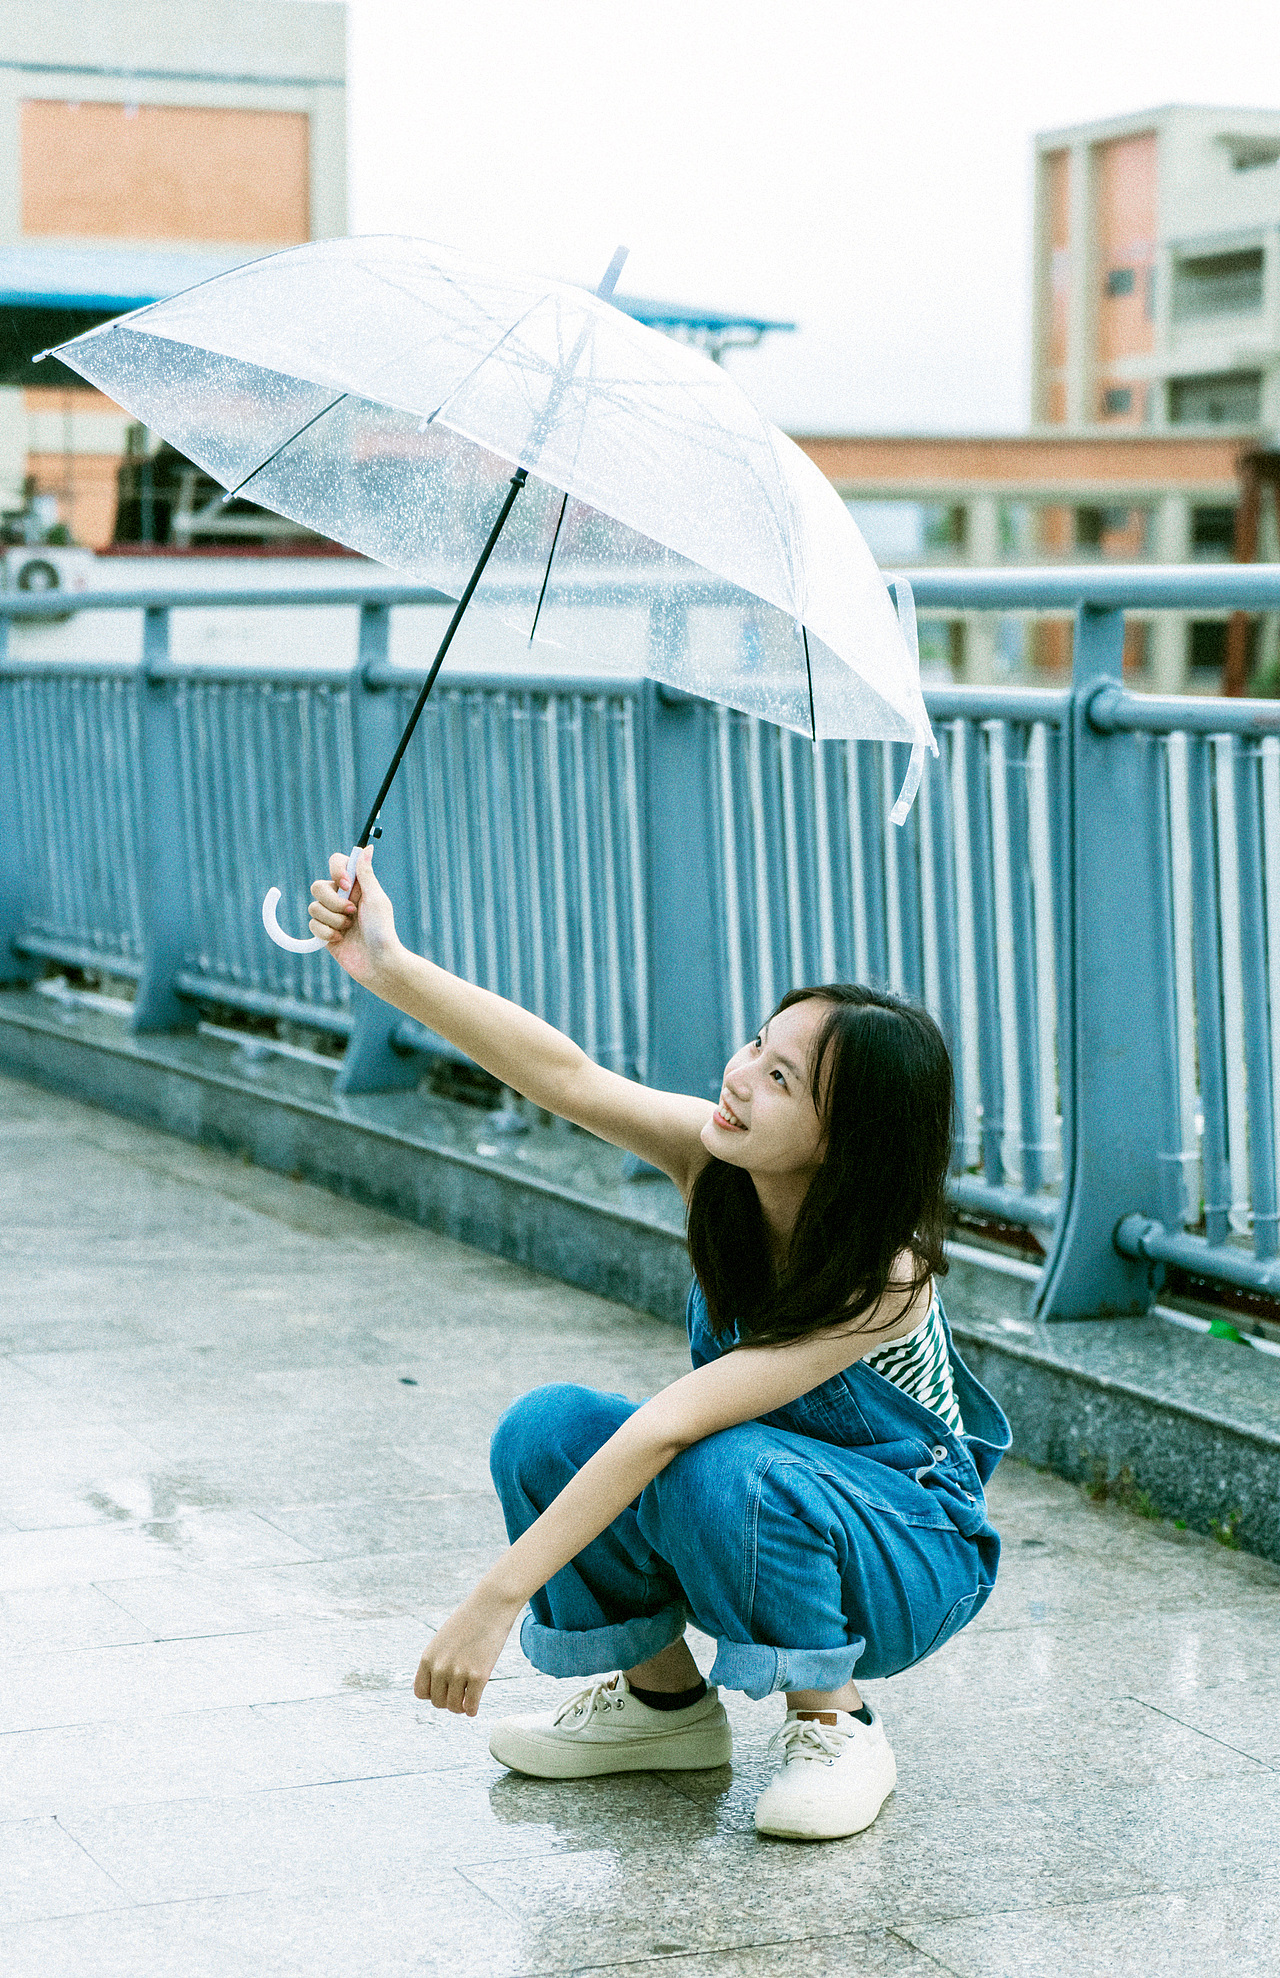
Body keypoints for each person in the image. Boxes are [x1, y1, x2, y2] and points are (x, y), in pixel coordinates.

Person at [308, 847, 1011, 1843]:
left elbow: (672, 1426)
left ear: (845, 1138)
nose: (737, 1080)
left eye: (780, 1078)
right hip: (765, 1492)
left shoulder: (881, 1275)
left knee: (717, 1460)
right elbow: (564, 1073)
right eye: (755, 1045)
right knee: (547, 1429)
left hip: (911, 1550)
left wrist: (493, 1598)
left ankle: (836, 1720)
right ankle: (664, 1707)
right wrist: (388, 964)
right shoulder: (716, 1153)